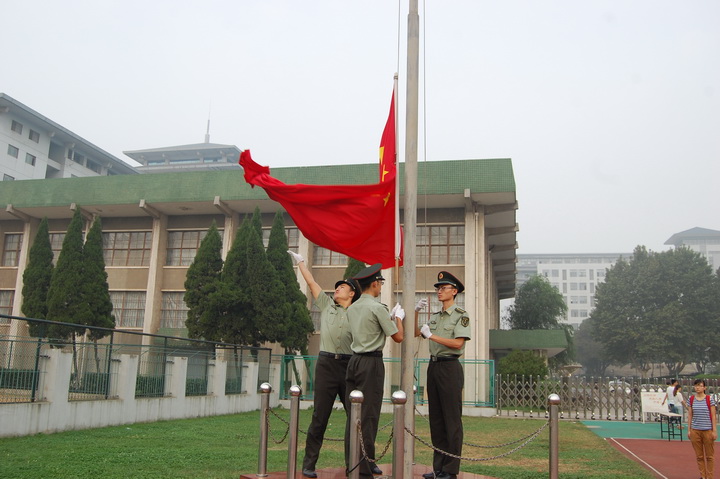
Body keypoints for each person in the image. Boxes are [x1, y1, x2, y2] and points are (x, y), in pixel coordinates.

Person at [287, 251, 361, 478]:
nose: (336, 289)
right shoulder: (327, 305)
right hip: (327, 365)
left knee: (355, 417)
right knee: (320, 416)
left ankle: (356, 464)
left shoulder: (359, 312)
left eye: (342, 287)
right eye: (336, 287)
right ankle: (309, 464)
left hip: (349, 366)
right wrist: (301, 263)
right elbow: (311, 283)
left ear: (352, 293)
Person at [344, 263, 404, 477]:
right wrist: (398, 317)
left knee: (353, 414)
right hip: (371, 363)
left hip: (354, 361)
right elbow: (398, 337)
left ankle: (354, 462)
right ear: (375, 284)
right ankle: (364, 467)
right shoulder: (378, 308)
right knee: (369, 415)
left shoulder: (352, 308)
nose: (380, 287)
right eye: (380, 283)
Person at [416, 271, 471, 479]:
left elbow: (458, 343)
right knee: (436, 420)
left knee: (451, 420)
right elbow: (417, 332)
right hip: (434, 366)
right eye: (438, 288)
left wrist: (432, 336)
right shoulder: (435, 316)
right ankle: (438, 467)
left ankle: (450, 469)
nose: (439, 291)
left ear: (454, 291)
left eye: (443, 288)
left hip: (450, 367)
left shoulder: (461, 315)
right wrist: (415, 312)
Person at [687, 378, 717, 479]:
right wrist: (689, 430)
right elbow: (690, 415)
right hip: (695, 430)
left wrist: (714, 431)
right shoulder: (691, 399)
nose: (697, 388)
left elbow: (713, 415)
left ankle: (710, 476)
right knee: (699, 456)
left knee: (709, 456)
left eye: (700, 386)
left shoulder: (709, 399)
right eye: (696, 386)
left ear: (704, 388)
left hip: (707, 430)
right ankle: (703, 476)